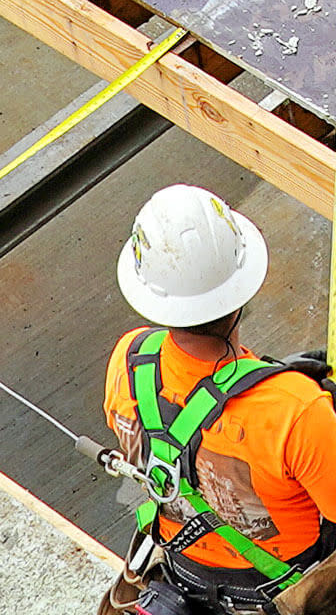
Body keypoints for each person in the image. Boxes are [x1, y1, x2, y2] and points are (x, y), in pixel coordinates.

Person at [100, 184, 336, 614]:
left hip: (180, 575)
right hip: (279, 595)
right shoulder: (296, 411)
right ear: (241, 289)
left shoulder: (132, 359)